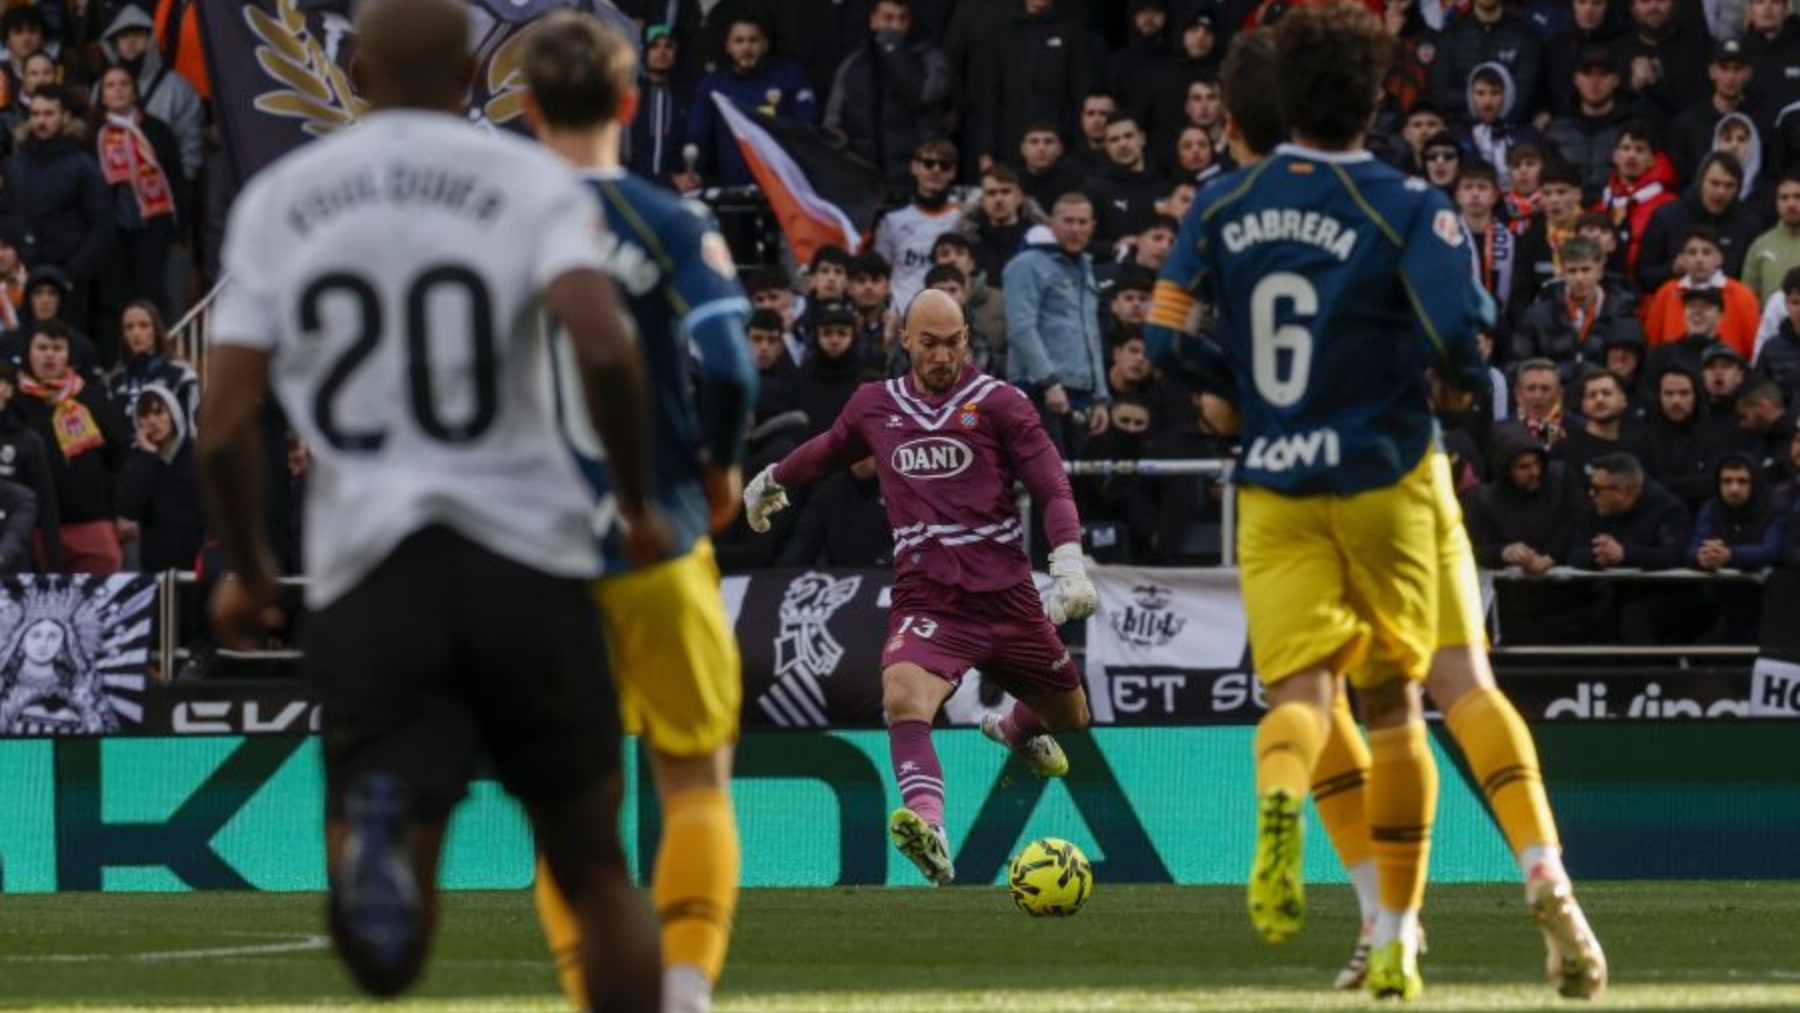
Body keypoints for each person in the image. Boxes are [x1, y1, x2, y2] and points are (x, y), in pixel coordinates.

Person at [198, 0, 665, 1006]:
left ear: (355, 72)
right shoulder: (530, 180)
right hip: (528, 558)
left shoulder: (282, 200)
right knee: (594, 868)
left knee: (390, 957)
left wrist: (249, 568)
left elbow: (224, 419)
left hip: (373, 569)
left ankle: (380, 831)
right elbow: (603, 347)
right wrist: (633, 502)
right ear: (470, 76)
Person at [1151, 6, 1490, 997]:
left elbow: (1164, 337)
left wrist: (1245, 385)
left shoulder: (1222, 202)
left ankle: (1298, 816)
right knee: (1408, 700)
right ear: (1372, 100)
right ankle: (1403, 929)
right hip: (1382, 467)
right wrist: (1461, 382)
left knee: (1300, 696)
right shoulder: (1397, 198)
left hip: (1275, 473)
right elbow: (1455, 332)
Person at [517, 15, 759, 1013]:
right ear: (627, 102)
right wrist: (722, 467)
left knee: (571, 809)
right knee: (694, 778)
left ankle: (594, 997)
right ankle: (687, 988)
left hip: (536, 560)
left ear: (528, 109)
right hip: (656, 535)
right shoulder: (668, 218)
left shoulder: (489, 234)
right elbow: (731, 365)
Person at [741, 288, 1100, 888]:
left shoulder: (1001, 404)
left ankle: (1012, 731)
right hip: (930, 599)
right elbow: (829, 450)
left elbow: (1053, 487)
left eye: (953, 342)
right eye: (928, 343)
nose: (941, 356)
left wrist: (1068, 563)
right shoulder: (875, 405)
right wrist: (774, 477)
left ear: (968, 340)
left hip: (1008, 599)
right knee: (903, 698)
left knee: (1072, 716)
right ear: (903, 339)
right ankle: (930, 827)